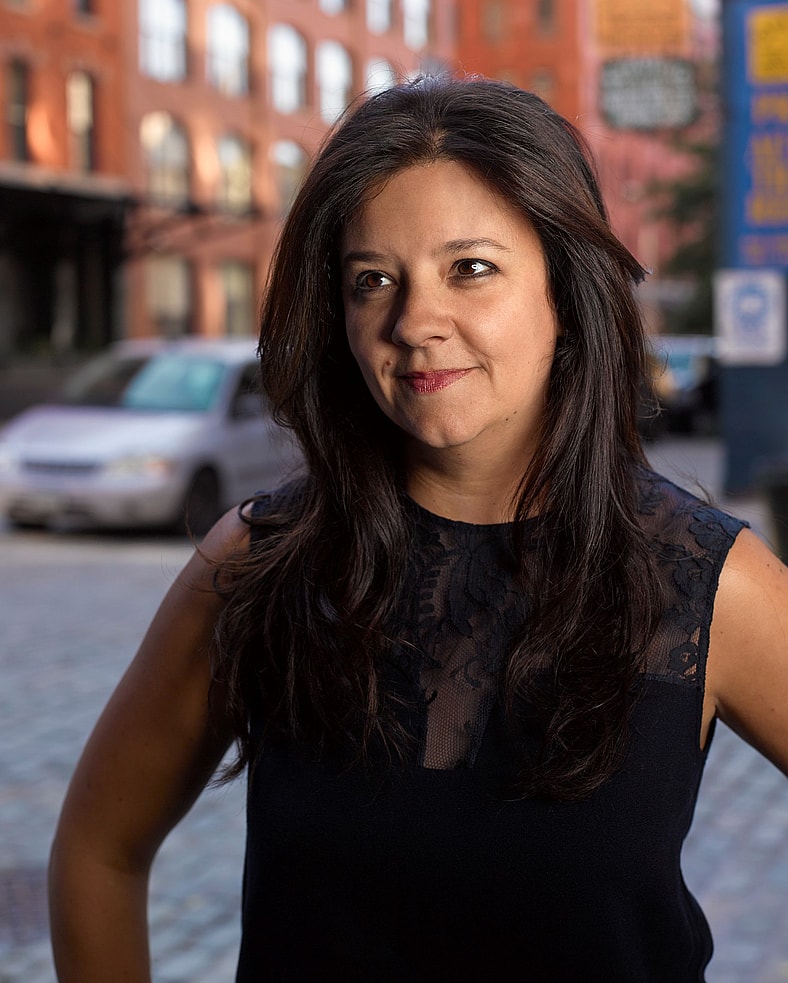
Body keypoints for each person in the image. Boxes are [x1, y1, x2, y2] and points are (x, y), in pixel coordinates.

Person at [48, 75, 788, 982]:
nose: (415, 322)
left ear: (565, 292)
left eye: (469, 268)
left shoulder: (706, 580)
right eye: (373, 281)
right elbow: (99, 850)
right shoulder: (253, 565)